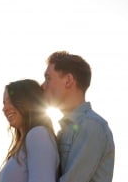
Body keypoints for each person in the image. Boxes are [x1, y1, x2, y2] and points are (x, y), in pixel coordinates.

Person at [42, 51, 115, 182]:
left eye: (48, 78)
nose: (43, 86)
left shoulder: (91, 126)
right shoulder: (66, 129)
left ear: (68, 80)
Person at [0, 79, 60, 182]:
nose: (5, 108)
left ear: (28, 101)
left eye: (11, 101)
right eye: (4, 103)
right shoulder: (25, 143)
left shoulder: (38, 135)